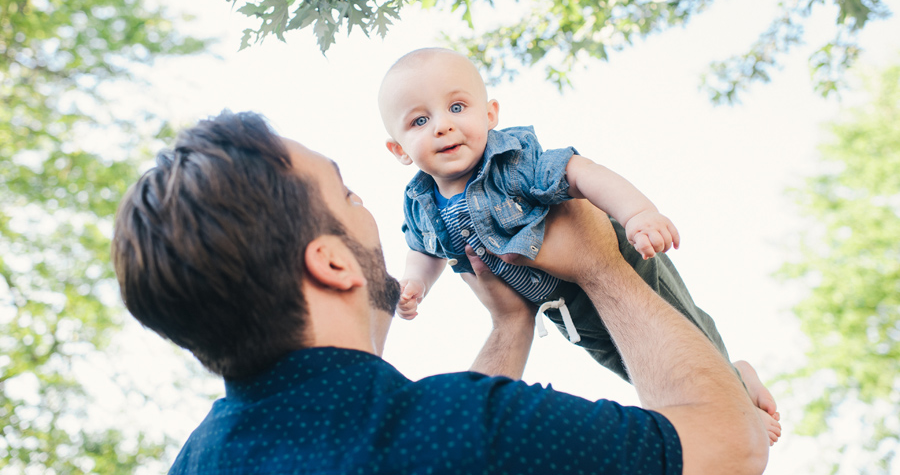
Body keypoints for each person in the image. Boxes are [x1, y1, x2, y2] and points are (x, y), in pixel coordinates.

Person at [112, 110, 774, 475]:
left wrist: (508, 328)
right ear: (332, 264)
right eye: (347, 195)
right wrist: (602, 263)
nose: (368, 208)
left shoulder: (197, 462)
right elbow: (731, 447)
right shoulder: (460, 429)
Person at [378, 47, 778, 428]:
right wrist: (416, 284)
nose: (442, 125)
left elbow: (579, 171)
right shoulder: (420, 204)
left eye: (457, 107)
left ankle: (737, 395)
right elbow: (421, 249)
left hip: (620, 259)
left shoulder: (511, 163)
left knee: (676, 324)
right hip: (561, 306)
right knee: (637, 362)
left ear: (490, 114)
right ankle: (732, 390)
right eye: (419, 121)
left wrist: (638, 213)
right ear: (399, 150)